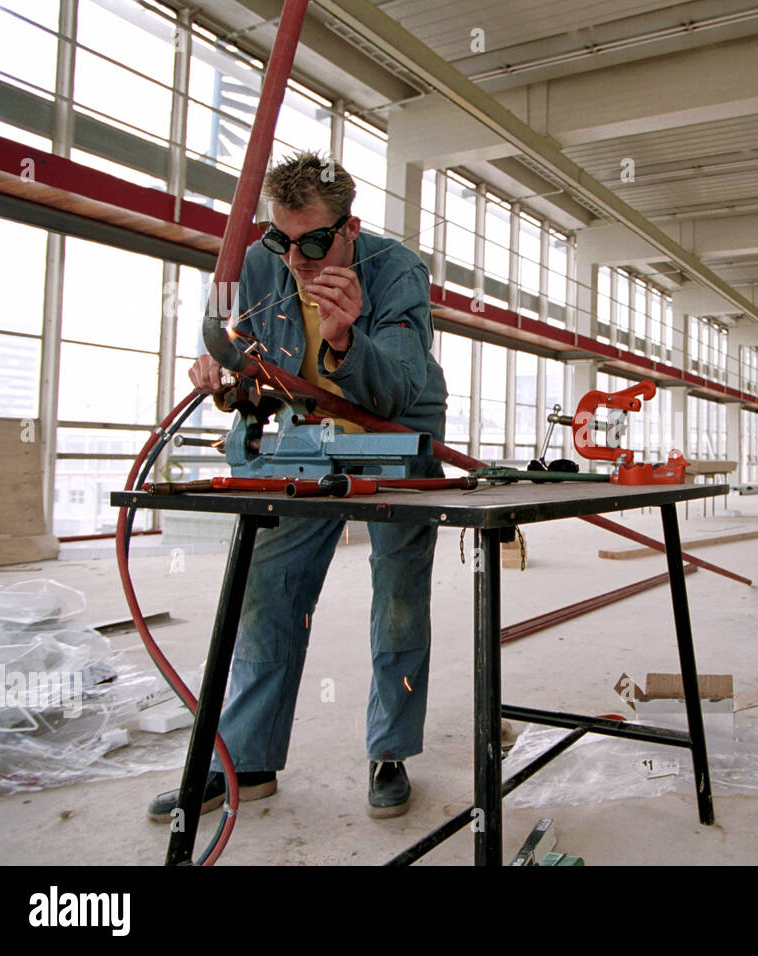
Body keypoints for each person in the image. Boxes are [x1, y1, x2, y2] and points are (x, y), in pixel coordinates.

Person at [147, 151, 448, 821]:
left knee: (398, 595)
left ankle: (390, 751)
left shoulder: (397, 270)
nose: (297, 259)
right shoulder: (259, 263)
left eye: (314, 241)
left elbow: (399, 384)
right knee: (268, 592)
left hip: (395, 433)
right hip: (307, 437)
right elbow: (249, 370)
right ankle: (246, 762)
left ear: (349, 228)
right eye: (282, 240)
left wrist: (345, 341)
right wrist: (224, 379)